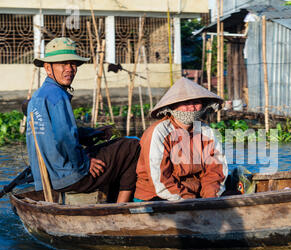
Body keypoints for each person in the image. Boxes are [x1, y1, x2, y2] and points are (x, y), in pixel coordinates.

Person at [26, 37, 140, 203]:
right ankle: (121, 206)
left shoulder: (38, 96)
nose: (70, 69)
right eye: (63, 64)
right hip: (69, 177)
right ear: (48, 68)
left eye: (73, 64)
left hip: (47, 178)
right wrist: (85, 164)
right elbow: (65, 139)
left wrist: (92, 133)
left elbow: (56, 135)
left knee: (113, 148)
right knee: (132, 146)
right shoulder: (58, 96)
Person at [134, 77, 228, 201]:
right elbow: (161, 181)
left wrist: (209, 199)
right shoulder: (160, 132)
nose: (191, 108)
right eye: (185, 103)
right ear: (173, 106)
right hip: (157, 196)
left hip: (196, 195)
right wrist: (189, 201)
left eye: (196, 103)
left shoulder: (206, 132)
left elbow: (215, 172)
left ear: (203, 105)